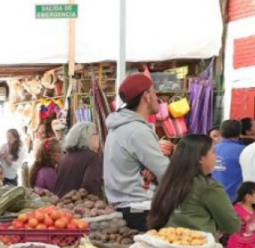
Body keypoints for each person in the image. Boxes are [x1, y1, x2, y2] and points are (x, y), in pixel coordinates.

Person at [103, 73, 170, 231]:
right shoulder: (137, 131)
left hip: (125, 206)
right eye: (154, 93)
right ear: (146, 97)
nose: (157, 98)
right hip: (140, 209)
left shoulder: (119, 127)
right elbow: (166, 173)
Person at [147, 134, 241, 236]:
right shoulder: (208, 187)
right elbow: (232, 225)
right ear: (200, 158)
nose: (216, 156)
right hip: (198, 247)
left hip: (167, 242)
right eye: (213, 152)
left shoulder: (168, 181)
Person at [54, 122, 103, 198]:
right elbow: (90, 185)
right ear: (88, 137)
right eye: (96, 134)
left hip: (59, 205)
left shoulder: (65, 158)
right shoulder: (93, 158)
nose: (99, 137)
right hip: (78, 206)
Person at [212, 119, 246, 201]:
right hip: (234, 200)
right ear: (239, 133)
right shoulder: (243, 150)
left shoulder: (211, 149)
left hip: (214, 198)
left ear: (221, 132)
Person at [228, 181, 255, 248]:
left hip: (251, 244)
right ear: (248, 196)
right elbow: (228, 224)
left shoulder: (253, 209)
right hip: (237, 244)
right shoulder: (235, 209)